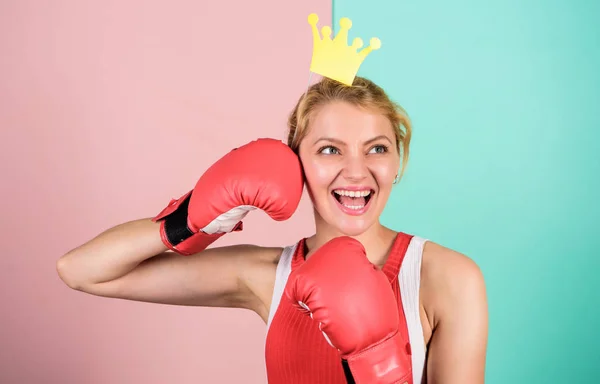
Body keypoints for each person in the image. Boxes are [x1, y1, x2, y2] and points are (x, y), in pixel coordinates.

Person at [56, 76, 488, 383]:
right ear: (295, 163)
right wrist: (190, 219)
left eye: (377, 148)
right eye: (329, 150)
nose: (356, 171)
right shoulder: (267, 275)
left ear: (397, 162)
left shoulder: (444, 278)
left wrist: (380, 372)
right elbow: (82, 269)